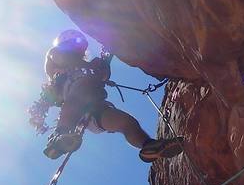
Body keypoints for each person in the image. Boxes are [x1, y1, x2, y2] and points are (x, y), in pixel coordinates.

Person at [29, 29, 184, 162]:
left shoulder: (87, 67)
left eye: (81, 48)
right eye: (76, 46)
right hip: (73, 102)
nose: (80, 51)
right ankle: (60, 136)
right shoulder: (56, 58)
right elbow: (61, 58)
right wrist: (90, 66)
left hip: (95, 108)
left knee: (126, 122)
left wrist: (103, 63)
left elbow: (103, 74)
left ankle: (149, 145)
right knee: (78, 94)